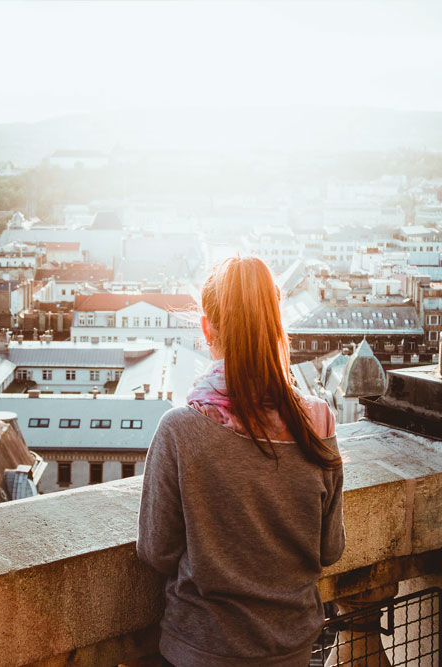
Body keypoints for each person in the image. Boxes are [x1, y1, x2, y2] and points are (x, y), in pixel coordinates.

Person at [137, 255, 345, 667]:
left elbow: (156, 551)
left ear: (206, 327)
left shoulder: (180, 429)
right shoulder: (318, 422)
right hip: (292, 648)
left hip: (203, 647)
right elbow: (331, 548)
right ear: (276, 325)